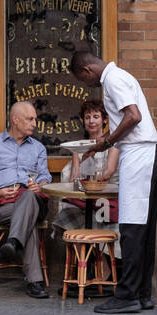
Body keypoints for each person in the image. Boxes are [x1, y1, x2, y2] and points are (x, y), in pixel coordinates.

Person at [71, 51, 157, 315]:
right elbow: (128, 120)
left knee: (132, 226)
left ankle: (127, 296)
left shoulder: (112, 79)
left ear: (87, 70)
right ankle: (142, 293)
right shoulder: (121, 76)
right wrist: (100, 144)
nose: (87, 84)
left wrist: (107, 142)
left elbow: (133, 116)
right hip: (144, 152)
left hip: (139, 153)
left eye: (83, 80)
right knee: (143, 228)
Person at [0, 101, 52, 299]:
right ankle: (35, 282)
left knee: (29, 196)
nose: (35, 123)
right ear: (15, 120)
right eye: (30, 119)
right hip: (3, 202)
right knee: (28, 221)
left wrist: (40, 185)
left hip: (32, 198)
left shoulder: (38, 148)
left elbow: (45, 177)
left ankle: (13, 242)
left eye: (35, 119)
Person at [53, 100, 120, 237]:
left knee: (100, 218)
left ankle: (98, 250)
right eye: (87, 117)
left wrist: (90, 182)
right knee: (69, 212)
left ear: (104, 120)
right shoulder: (78, 146)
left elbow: (109, 171)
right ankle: (80, 250)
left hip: (107, 197)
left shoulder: (112, 144)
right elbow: (74, 178)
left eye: (96, 117)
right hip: (82, 198)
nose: (91, 121)